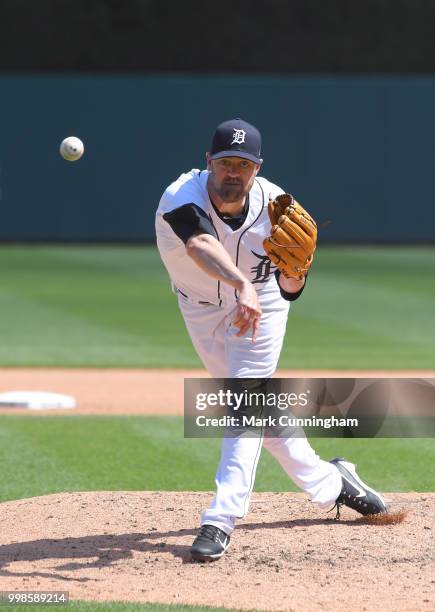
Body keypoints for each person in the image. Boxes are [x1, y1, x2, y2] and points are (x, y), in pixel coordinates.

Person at [155, 118, 387, 562]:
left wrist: (296, 272)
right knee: (256, 406)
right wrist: (240, 283)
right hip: (201, 306)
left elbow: (290, 290)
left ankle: (221, 519)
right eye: (225, 162)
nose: (233, 172)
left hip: (261, 305)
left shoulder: (277, 206)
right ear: (209, 163)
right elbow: (200, 244)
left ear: (257, 168)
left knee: (244, 399)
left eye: (244, 164)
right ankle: (334, 483)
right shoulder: (180, 195)